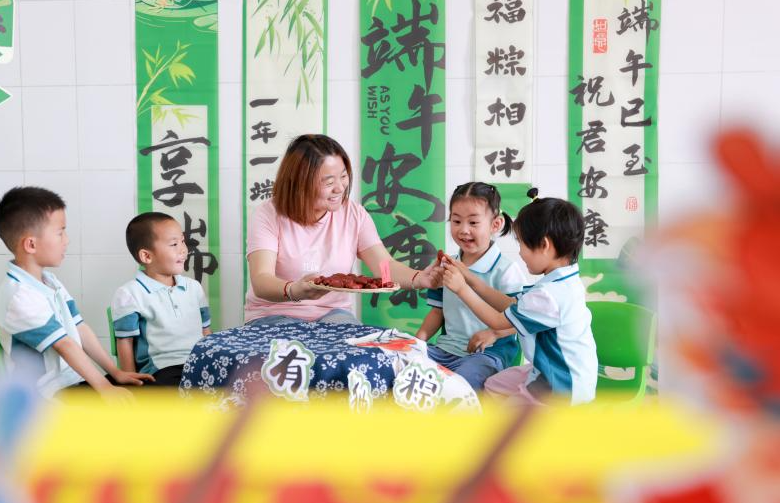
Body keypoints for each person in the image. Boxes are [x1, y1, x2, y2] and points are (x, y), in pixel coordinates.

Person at [244, 134, 444, 325]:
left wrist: (420, 278)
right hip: (273, 314)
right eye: (329, 182)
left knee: (355, 347)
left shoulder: (354, 214)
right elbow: (261, 279)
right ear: (299, 183)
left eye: (343, 176)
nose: (340, 188)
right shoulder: (267, 215)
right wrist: (294, 290)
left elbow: (384, 268)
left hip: (333, 314)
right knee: (289, 349)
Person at [0, 186, 152, 402]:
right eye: (60, 233)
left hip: (70, 383)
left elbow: (80, 328)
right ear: (31, 244)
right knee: (132, 407)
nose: (66, 240)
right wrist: (105, 388)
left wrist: (116, 373)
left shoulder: (49, 281)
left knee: (144, 393)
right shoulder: (19, 297)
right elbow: (64, 345)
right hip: (45, 395)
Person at [440, 189, 598, 405]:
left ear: (544, 245)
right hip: (565, 372)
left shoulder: (549, 295)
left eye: (522, 245)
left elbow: (498, 321)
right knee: (493, 385)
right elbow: (514, 304)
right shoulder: (563, 282)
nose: (521, 253)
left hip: (560, 386)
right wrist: (470, 278)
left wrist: (462, 289)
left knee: (505, 413)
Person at [414, 182, 524, 390]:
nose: (463, 230)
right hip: (444, 350)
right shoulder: (447, 264)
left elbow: (522, 320)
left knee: (460, 384)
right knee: (405, 367)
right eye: (456, 221)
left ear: (495, 224)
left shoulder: (506, 270)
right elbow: (437, 312)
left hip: (488, 354)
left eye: (473, 222)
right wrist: (416, 343)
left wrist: (493, 333)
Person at [110, 212, 212, 387]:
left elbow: (206, 331)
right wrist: (131, 383)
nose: (183, 249)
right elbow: (125, 342)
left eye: (182, 241)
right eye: (174, 244)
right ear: (147, 256)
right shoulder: (129, 294)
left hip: (201, 363)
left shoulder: (194, 287)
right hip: (163, 369)